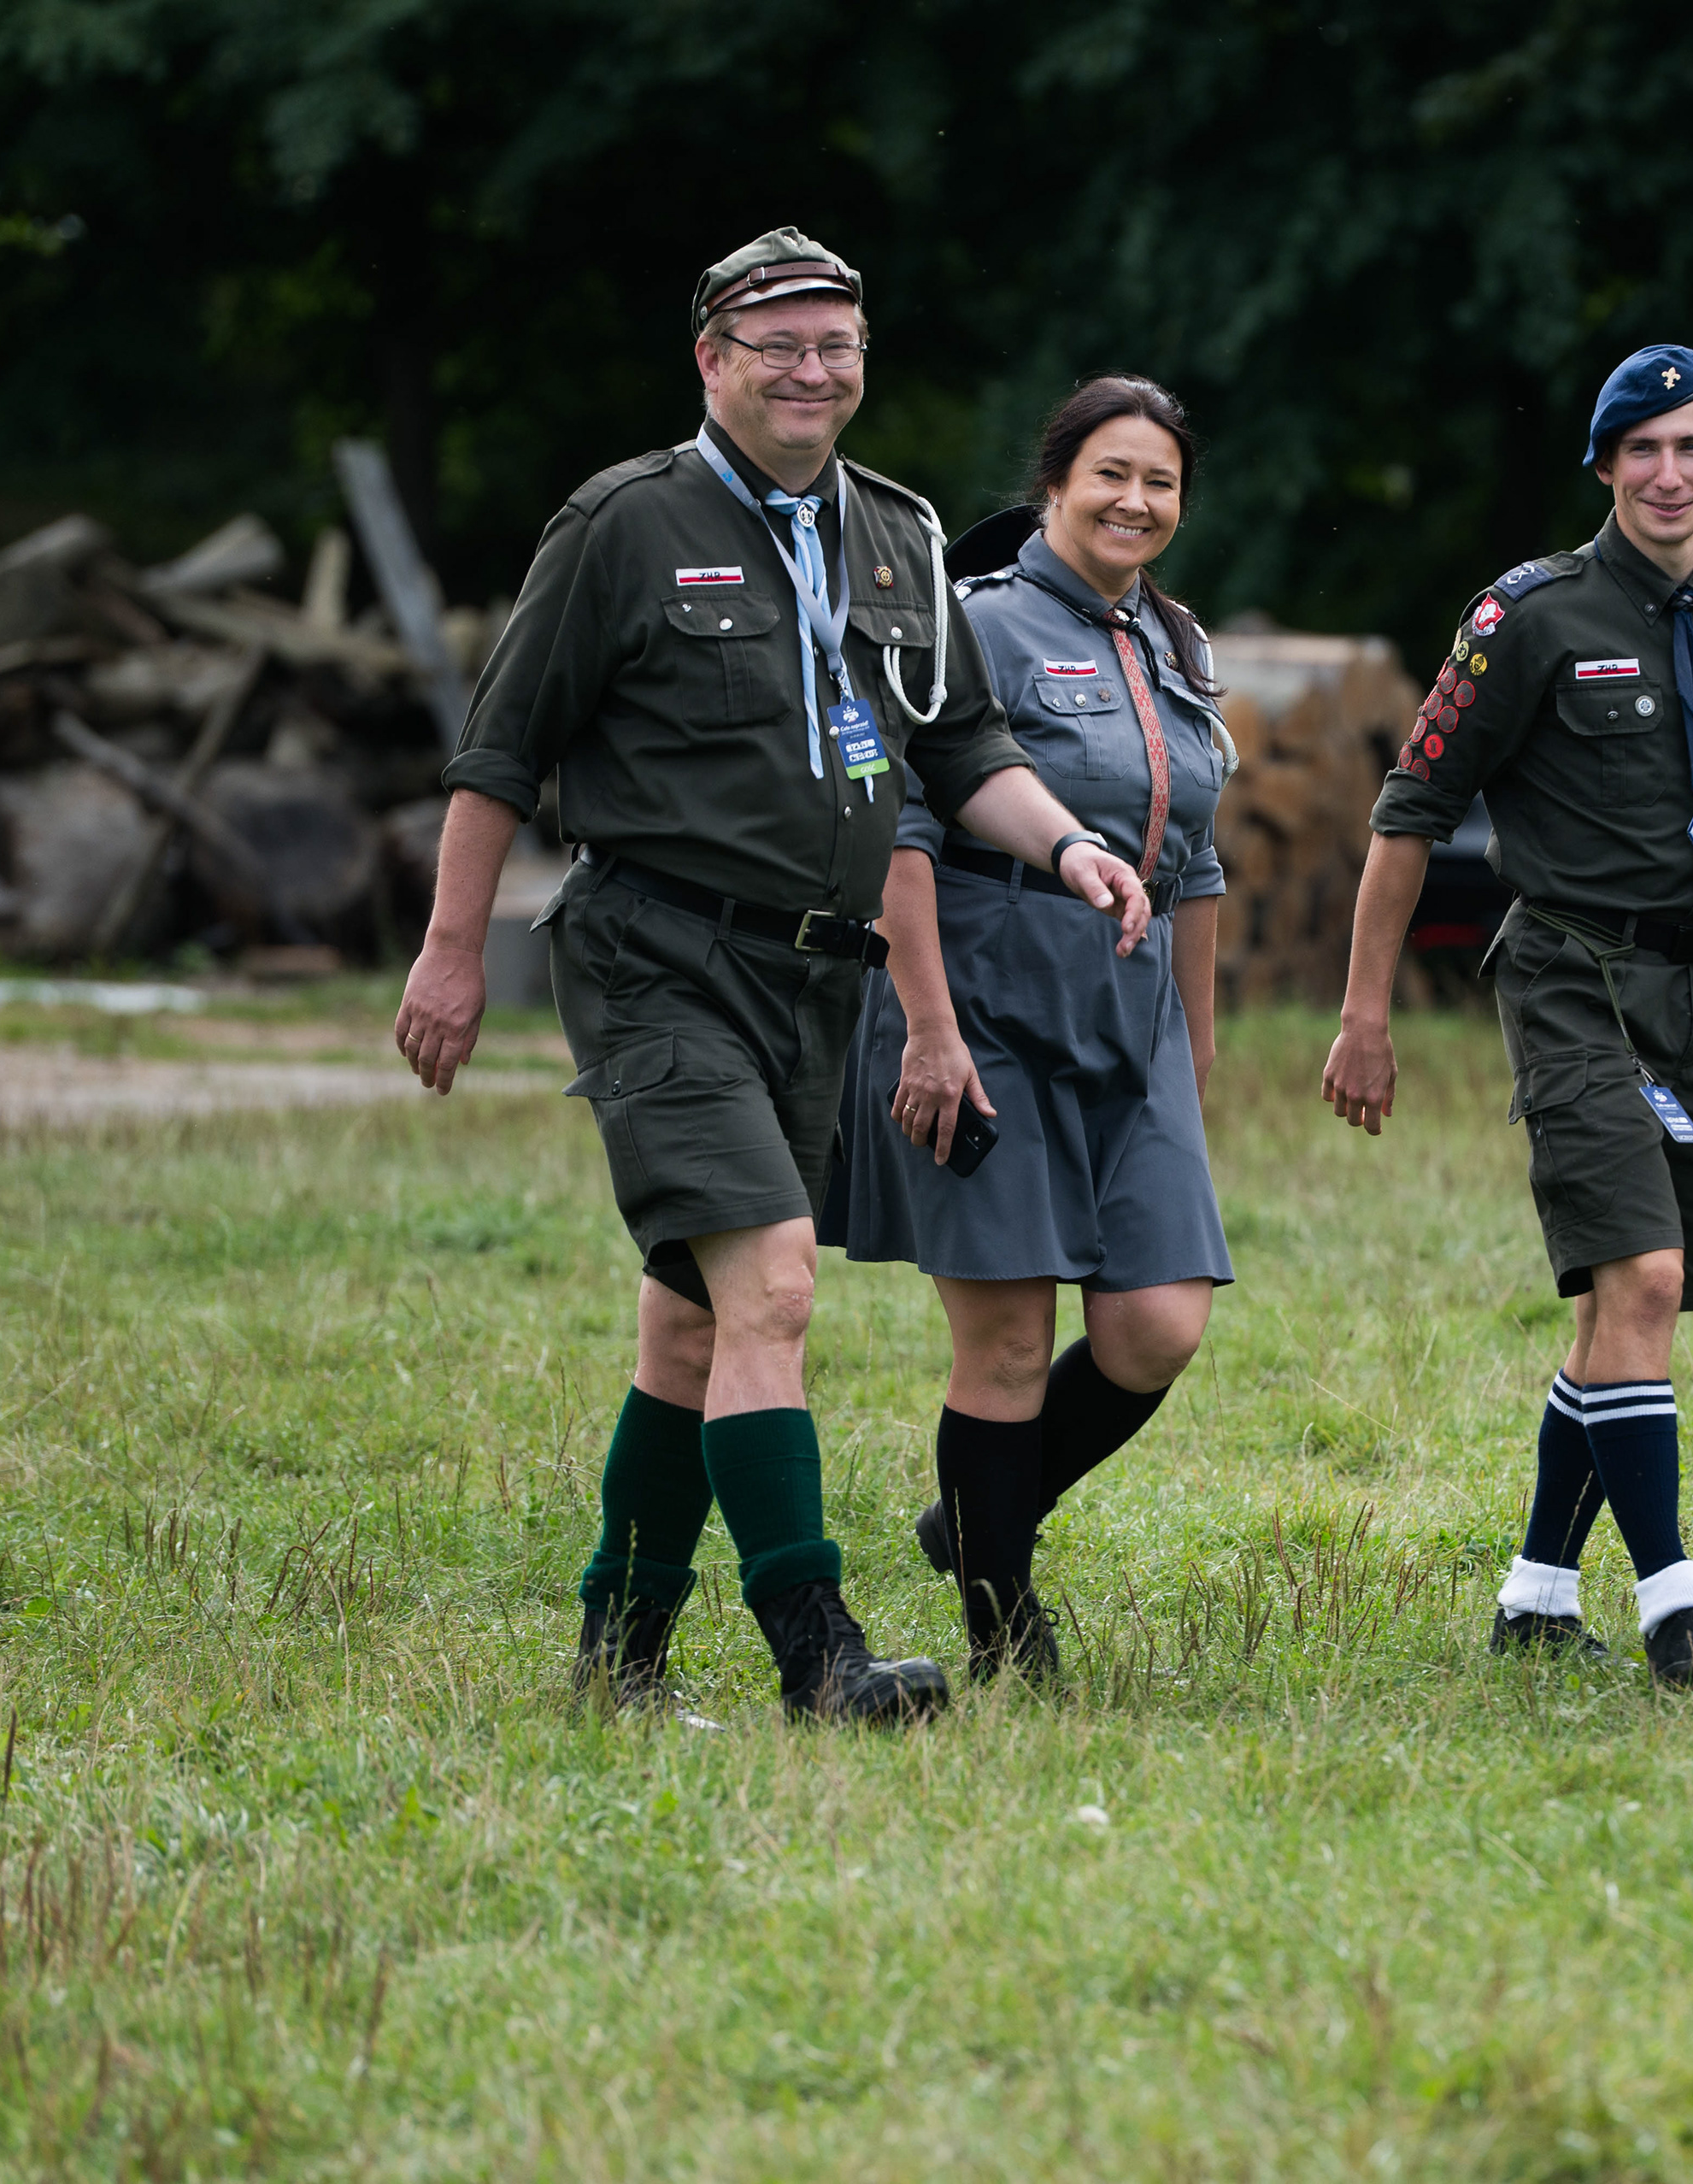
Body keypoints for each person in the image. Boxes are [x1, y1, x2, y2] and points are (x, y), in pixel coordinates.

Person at [391, 227, 1156, 1724]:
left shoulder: (899, 532)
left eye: (837, 345)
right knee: (776, 1287)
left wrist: (1069, 845)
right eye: (778, 344)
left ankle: (618, 1656)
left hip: (819, 983)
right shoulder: (623, 522)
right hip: (658, 956)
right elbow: (501, 752)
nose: (812, 371)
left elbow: (962, 750)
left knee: (695, 1324)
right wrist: (450, 953)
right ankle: (819, 1653)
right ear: (713, 360)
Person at [1324, 344, 1693, 1688]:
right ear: (1605, 468)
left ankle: (1538, 1595)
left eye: (1691, 446)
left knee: (1631, 1305)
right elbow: (1410, 814)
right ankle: (1677, 1603)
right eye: (1640, 450)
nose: (1668, 474)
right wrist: (1365, 1015)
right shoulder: (1529, 616)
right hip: (1573, 978)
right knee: (1645, 1277)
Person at [819, 375, 1236, 1683]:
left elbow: (1198, 862)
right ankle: (1005, 1630)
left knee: (1156, 1325)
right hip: (984, 996)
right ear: (1054, 483)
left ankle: (977, 1517)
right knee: (1004, 1339)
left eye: (1160, 480)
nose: (1135, 501)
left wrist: (1197, 1043)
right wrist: (929, 1029)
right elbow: (899, 830)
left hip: (1133, 1013)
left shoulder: (1180, 644)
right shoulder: (978, 626)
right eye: (1111, 472)